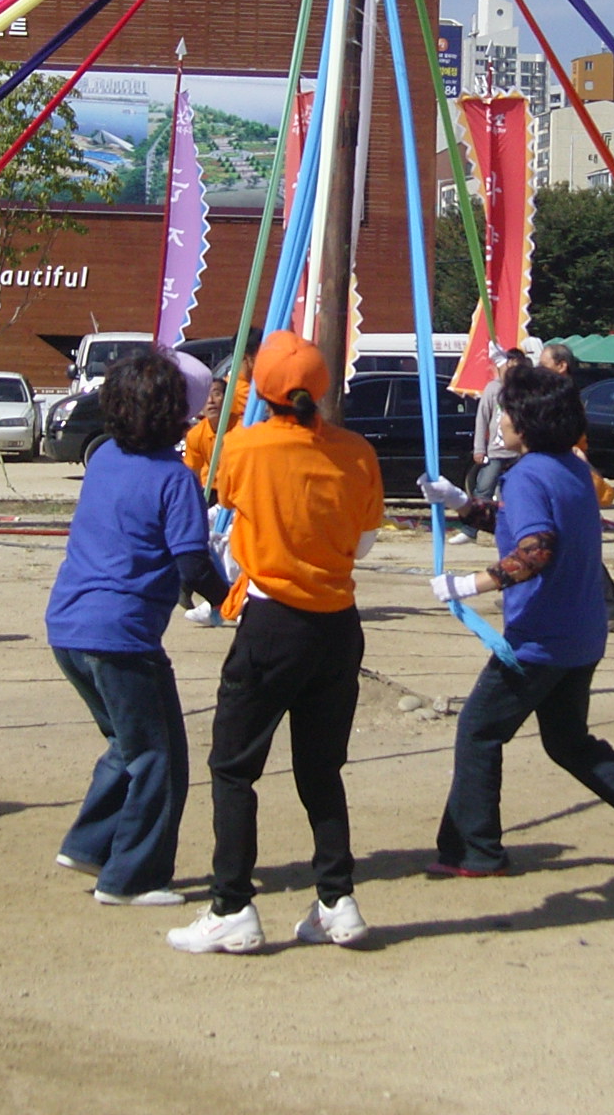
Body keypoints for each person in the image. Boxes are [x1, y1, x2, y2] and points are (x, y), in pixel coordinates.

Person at [419, 364, 614, 876]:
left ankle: (475, 851)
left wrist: (466, 585)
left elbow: (536, 548)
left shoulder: (526, 474)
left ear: (527, 421)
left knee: (478, 730)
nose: (500, 419)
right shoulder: (569, 468)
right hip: (582, 634)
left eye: (507, 412)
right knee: (569, 742)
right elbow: (524, 522)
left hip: (540, 641)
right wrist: (462, 504)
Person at [167, 331, 382, 956]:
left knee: (233, 767)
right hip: (339, 626)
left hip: (272, 623)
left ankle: (231, 904)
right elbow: (363, 544)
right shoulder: (358, 452)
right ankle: (337, 900)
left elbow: (227, 516)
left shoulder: (243, 448)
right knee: (323, 770)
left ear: (257, 388)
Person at [45, 350, 224, 906]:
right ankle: (133, 877)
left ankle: (90, 843)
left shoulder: (101, 460)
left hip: (68, 626)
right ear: (181, 416)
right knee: (159, 757)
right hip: (122, 637)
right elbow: (192, 564)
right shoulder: (175, 479)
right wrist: (241, 603)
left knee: (128, 743)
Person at [538, 340, 614, 631]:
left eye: (544, 365)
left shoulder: (566, 398)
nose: (540, 370)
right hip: (556, 472)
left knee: (574, 547)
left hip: (567, 476)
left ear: (561, 366)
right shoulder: (557, 395)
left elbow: (565, 436)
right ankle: (533, 598)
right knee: (549, 543)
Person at [459, 348, 528, 541]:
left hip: (519, 453)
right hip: (495, 451)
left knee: (516, 492)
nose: (510, 370)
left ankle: (513, 530)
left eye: (515, 366)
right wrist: (479, 447)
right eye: (508, 365)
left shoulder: (525, 389)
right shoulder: (493, 388)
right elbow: (482, 418)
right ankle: (471, 529)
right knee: (483, 488)